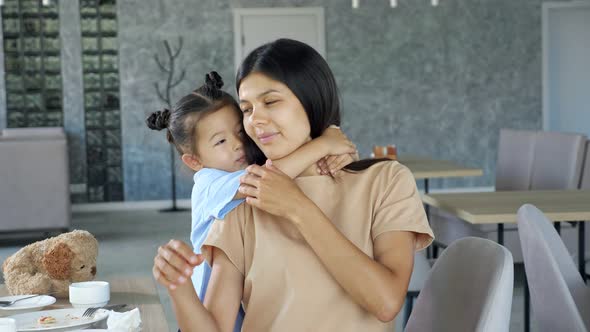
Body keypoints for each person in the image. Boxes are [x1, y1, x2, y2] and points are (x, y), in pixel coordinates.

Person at [152, 39, 434, 332]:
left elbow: (386, 302)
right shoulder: (242, 199)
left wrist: (298, 208)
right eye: (247, 109)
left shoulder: (385, 181)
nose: (255, 120)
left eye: (271, 102)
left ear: (311, 98)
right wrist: (180, 287)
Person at [146, 71, 358, 331]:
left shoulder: (244, 164)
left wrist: (338, 153)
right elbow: (269, 178)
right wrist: (325, 144)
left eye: (239, 132)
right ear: (194, 161)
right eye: (221, 141)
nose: (237, 145)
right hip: (207, 310)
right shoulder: (207, 183)